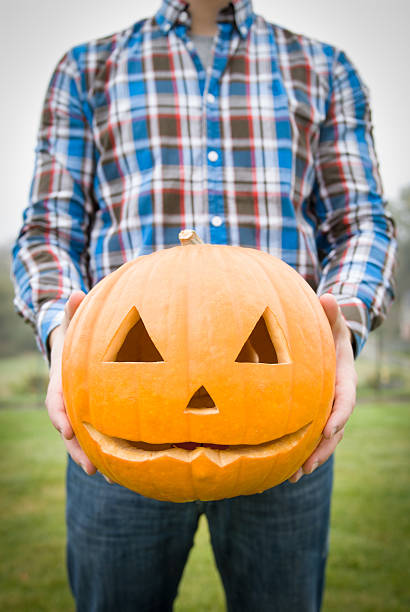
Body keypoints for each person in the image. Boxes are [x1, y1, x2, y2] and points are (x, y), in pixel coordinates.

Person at [12, 0, 396, 610]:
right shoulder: (86, 70)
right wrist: (69, 336)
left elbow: (362, 225)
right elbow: (48, 233)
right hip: (117, 416)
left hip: (284, 410)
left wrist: (338, 330)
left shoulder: (325, 70)